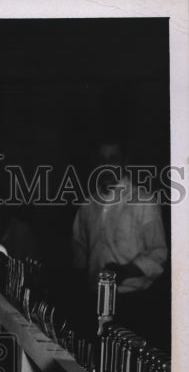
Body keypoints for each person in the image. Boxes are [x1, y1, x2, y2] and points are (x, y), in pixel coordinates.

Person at [72, 137, 168, 341]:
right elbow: (78, 250)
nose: (106, 165)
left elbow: (158, 253)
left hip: (133, 304)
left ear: (125, 162)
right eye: (101, 159)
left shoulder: (143, 201)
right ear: (94, 163)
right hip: (94, 302)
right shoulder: (87, 205)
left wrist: (126, 271)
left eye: (113, 159)